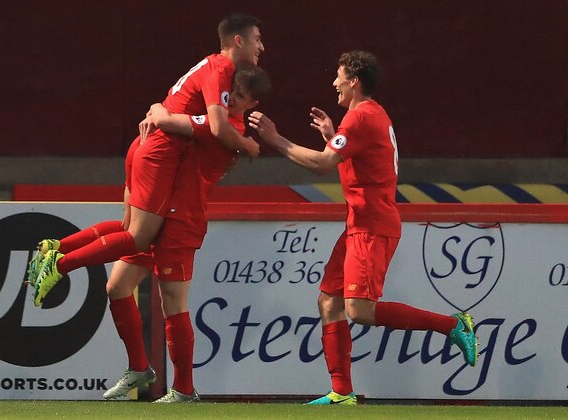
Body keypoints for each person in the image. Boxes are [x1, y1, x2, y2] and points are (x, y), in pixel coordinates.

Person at [29, 64, 271, 403]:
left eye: (241, 98)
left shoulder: (223, 126)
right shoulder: (216, 119)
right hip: (165, 208)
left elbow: (167, 118)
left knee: (173, 302)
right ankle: (139, 368)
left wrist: (156, 109)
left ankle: (184, 389)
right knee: (117, 285)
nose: (231, 101)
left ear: (253, 104)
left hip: (182, 219)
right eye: (230, 94)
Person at [248, 50, 478, 405]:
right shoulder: (368, 116)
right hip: (360, 223)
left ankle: (453, 326)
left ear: (354, 81)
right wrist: (331, 133)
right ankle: (341, 392)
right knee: (329, 301)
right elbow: (352, 158)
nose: (334, 83)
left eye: (339, 76)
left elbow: (325, 164)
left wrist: (276, 139)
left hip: (372, 226)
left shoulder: (361, 118)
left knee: (360, 310)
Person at [28, 13, 265, 307]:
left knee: (128, 232)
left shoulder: (209, 65)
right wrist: (246, 145)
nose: (261, 46)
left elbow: (178, 111)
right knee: (138, 239)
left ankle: (55, 247)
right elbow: (217, 127)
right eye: (257, 39)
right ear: (238, 41)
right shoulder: (221, 70)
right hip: (160, 154)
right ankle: (59, 265)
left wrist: (158, 110)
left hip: (146, 146)